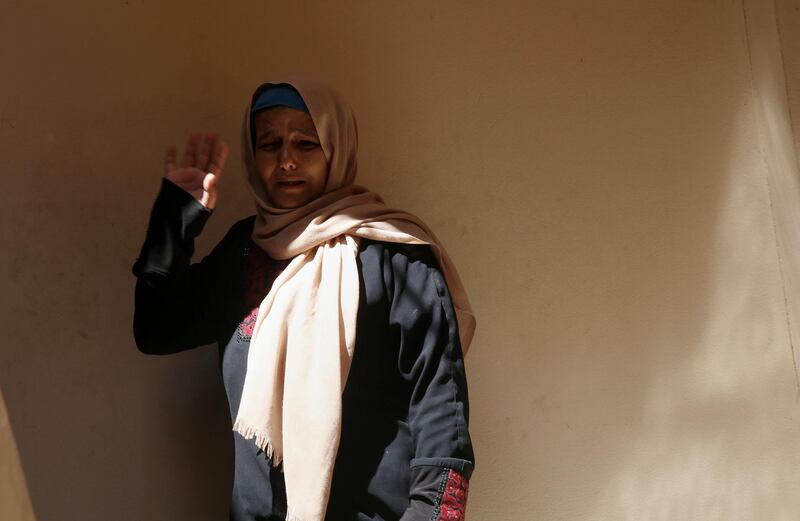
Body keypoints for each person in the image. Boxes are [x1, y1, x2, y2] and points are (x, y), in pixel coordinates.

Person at [132, 81, 476, 521]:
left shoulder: (394, 255)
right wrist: (174, 222)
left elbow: (439, 408)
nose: (286, 160)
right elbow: (157, 328)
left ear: (337, 147)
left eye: (306, 142)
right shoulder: (245, 251)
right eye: (270, 143)